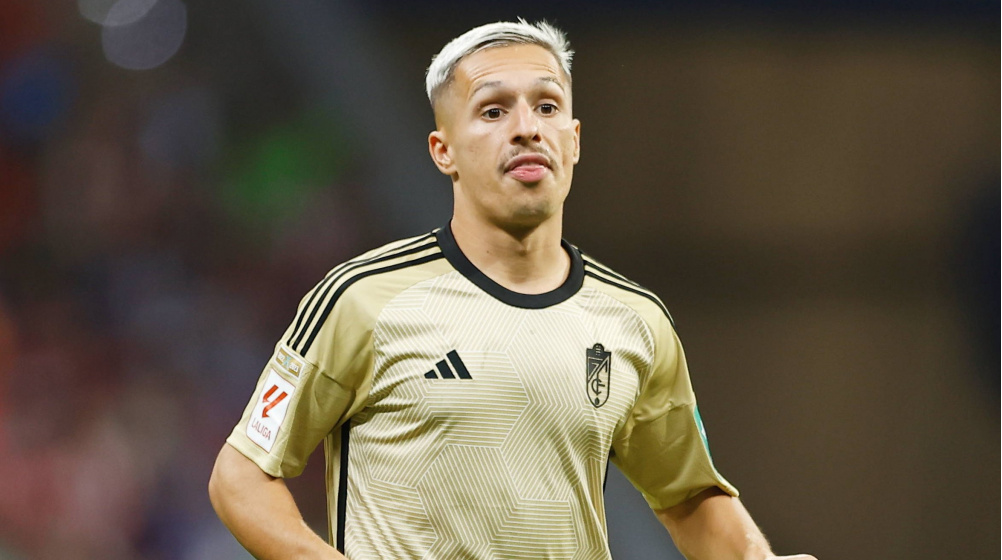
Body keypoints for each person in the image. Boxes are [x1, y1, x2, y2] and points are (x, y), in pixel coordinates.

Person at [208, 19, 817, 560]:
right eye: (494, 111)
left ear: (574, 140)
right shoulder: (363, 299)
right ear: (443, 150)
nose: (527, 129)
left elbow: (688, 497)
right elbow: (241, 477)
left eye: (547, 107)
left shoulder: (635, 320)